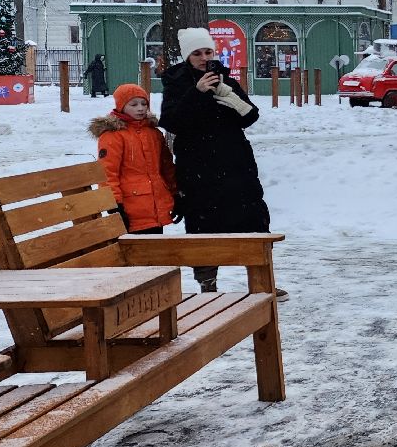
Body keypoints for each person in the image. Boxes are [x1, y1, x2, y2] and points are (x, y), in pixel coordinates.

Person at [160, 27, 283, 297]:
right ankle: (208, 284)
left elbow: (249, 117)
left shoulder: (225, 78)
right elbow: (171, 122)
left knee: (253, 221)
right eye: (197, 53)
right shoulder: (176, 82)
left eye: (208, 52)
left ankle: (262, 281)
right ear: (187, 56)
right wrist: (197, 92)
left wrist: (229, 95)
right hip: (198, 165)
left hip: (234, 162)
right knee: (203, 225)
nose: (204, 58)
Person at [89, 83, 177, 234]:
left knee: (154, 251)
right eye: (134, 104)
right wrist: (114, 204)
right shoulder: (113, 136)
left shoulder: (153, 133)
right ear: (121, 106)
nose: (140, 108)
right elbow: (108, 172)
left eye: (144, 103)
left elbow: (166, 167)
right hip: (130, 207)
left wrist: (175, 193)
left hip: (154, 206)